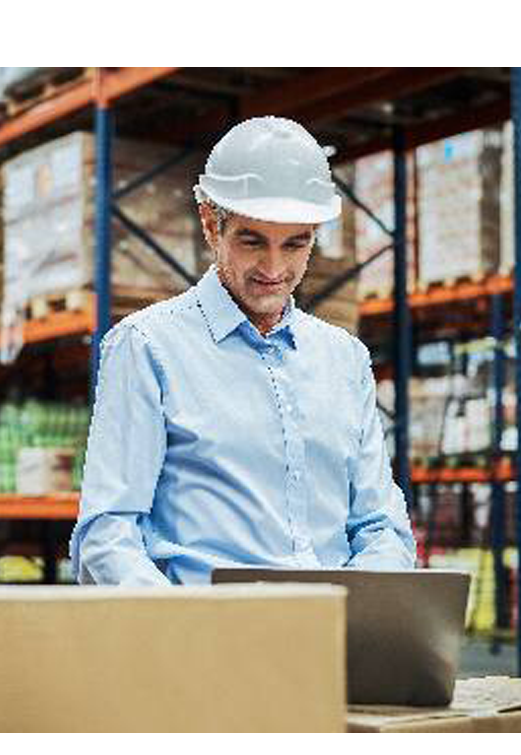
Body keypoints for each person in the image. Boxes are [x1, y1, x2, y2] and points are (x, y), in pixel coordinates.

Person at [70, 116, 416, 586]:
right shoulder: (148, 348)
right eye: (252, 241)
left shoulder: (345, 360)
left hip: (330, 640)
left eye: (296, 244)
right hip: (205, 641)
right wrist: (178, 630)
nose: (274, 267)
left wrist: (365, 613)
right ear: (211, 225)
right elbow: (108, 533)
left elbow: (381, 526)